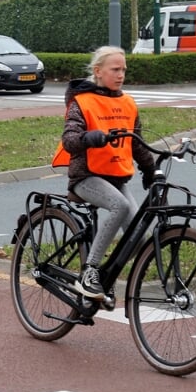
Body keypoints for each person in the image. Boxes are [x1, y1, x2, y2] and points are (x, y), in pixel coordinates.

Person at [51, 46, 157, 300]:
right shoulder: (82, 102)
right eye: (115, 69)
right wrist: (89, 137)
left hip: (116, 177)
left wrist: (150, 167)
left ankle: (105, 272)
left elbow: (135, 142)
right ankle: (89, 272)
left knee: (138, 237)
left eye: (124, 70)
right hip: (86, 177)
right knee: (119, 206)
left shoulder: (128, 103)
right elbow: (69, 141)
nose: (121, 75)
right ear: (98, 71)